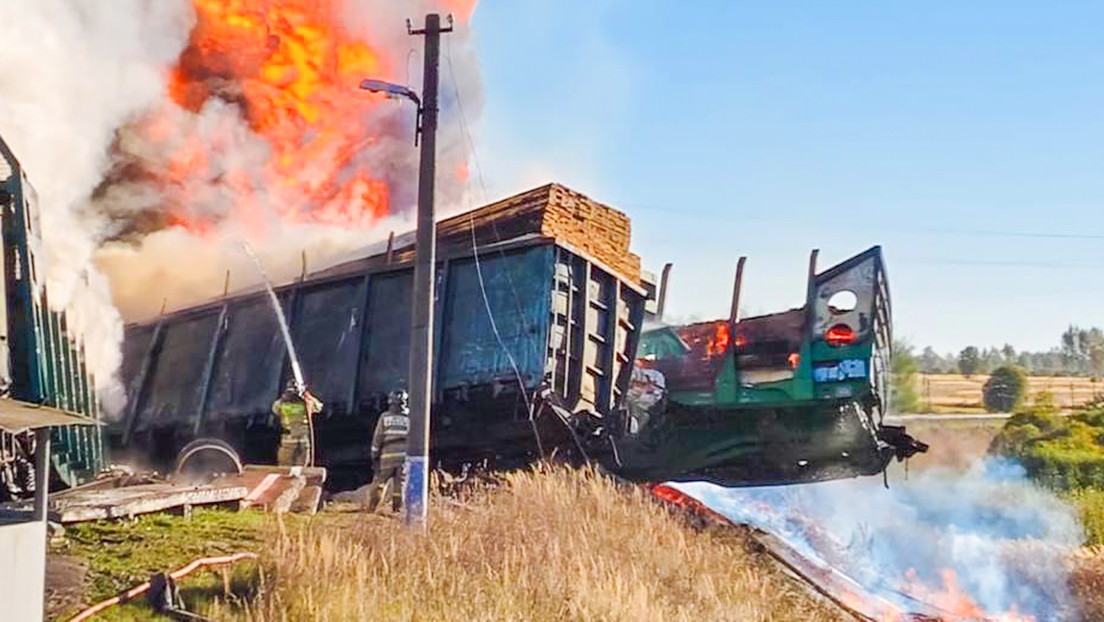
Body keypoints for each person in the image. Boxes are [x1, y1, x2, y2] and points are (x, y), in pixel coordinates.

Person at [365, 389, 410, 512]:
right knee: (400, 485)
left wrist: (374, 454)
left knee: (380, 482)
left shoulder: (385, 417)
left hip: (387, 457)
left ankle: (372, 507)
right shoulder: (409, 418)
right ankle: (397, 509)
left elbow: (378, 437)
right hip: (403, 457)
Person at [271, 380, 323, 467]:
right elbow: (319, 407)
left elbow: (274, 409)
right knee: (301, 469)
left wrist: (283, 398)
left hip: (289, 440)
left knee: (285, 468)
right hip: (302, 441)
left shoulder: (281, 404)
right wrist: (309, 397)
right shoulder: (306, 403)